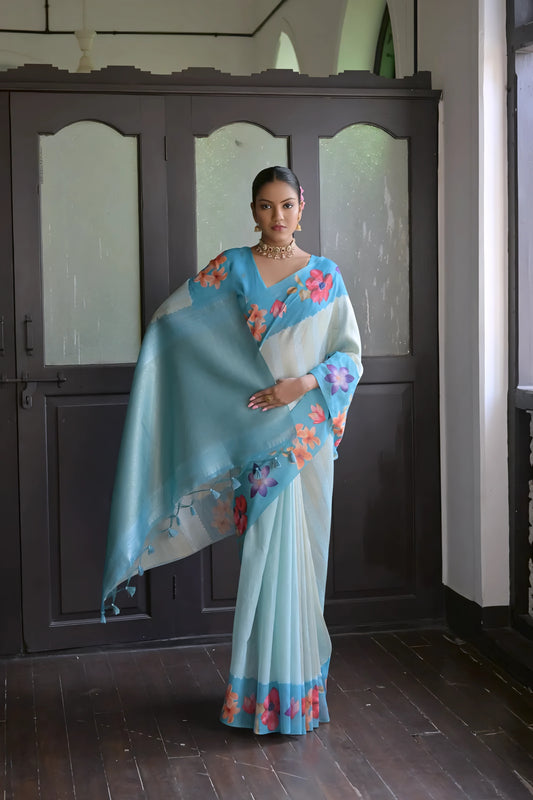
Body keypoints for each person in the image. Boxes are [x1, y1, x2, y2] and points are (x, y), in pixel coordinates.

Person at [101, 166, 362, 736]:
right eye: (266, 206)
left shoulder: (326, 276)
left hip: (306, 435)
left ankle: (298, 695)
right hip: (256, 439)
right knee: (264, 560)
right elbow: (172, 324)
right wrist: (233, 391)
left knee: (306, 563)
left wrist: (301, 385)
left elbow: (349, 358)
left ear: (302, 207)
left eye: (287, 205)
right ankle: (257, 696)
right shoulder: (233, 268)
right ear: (253, 211)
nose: (277, 216)